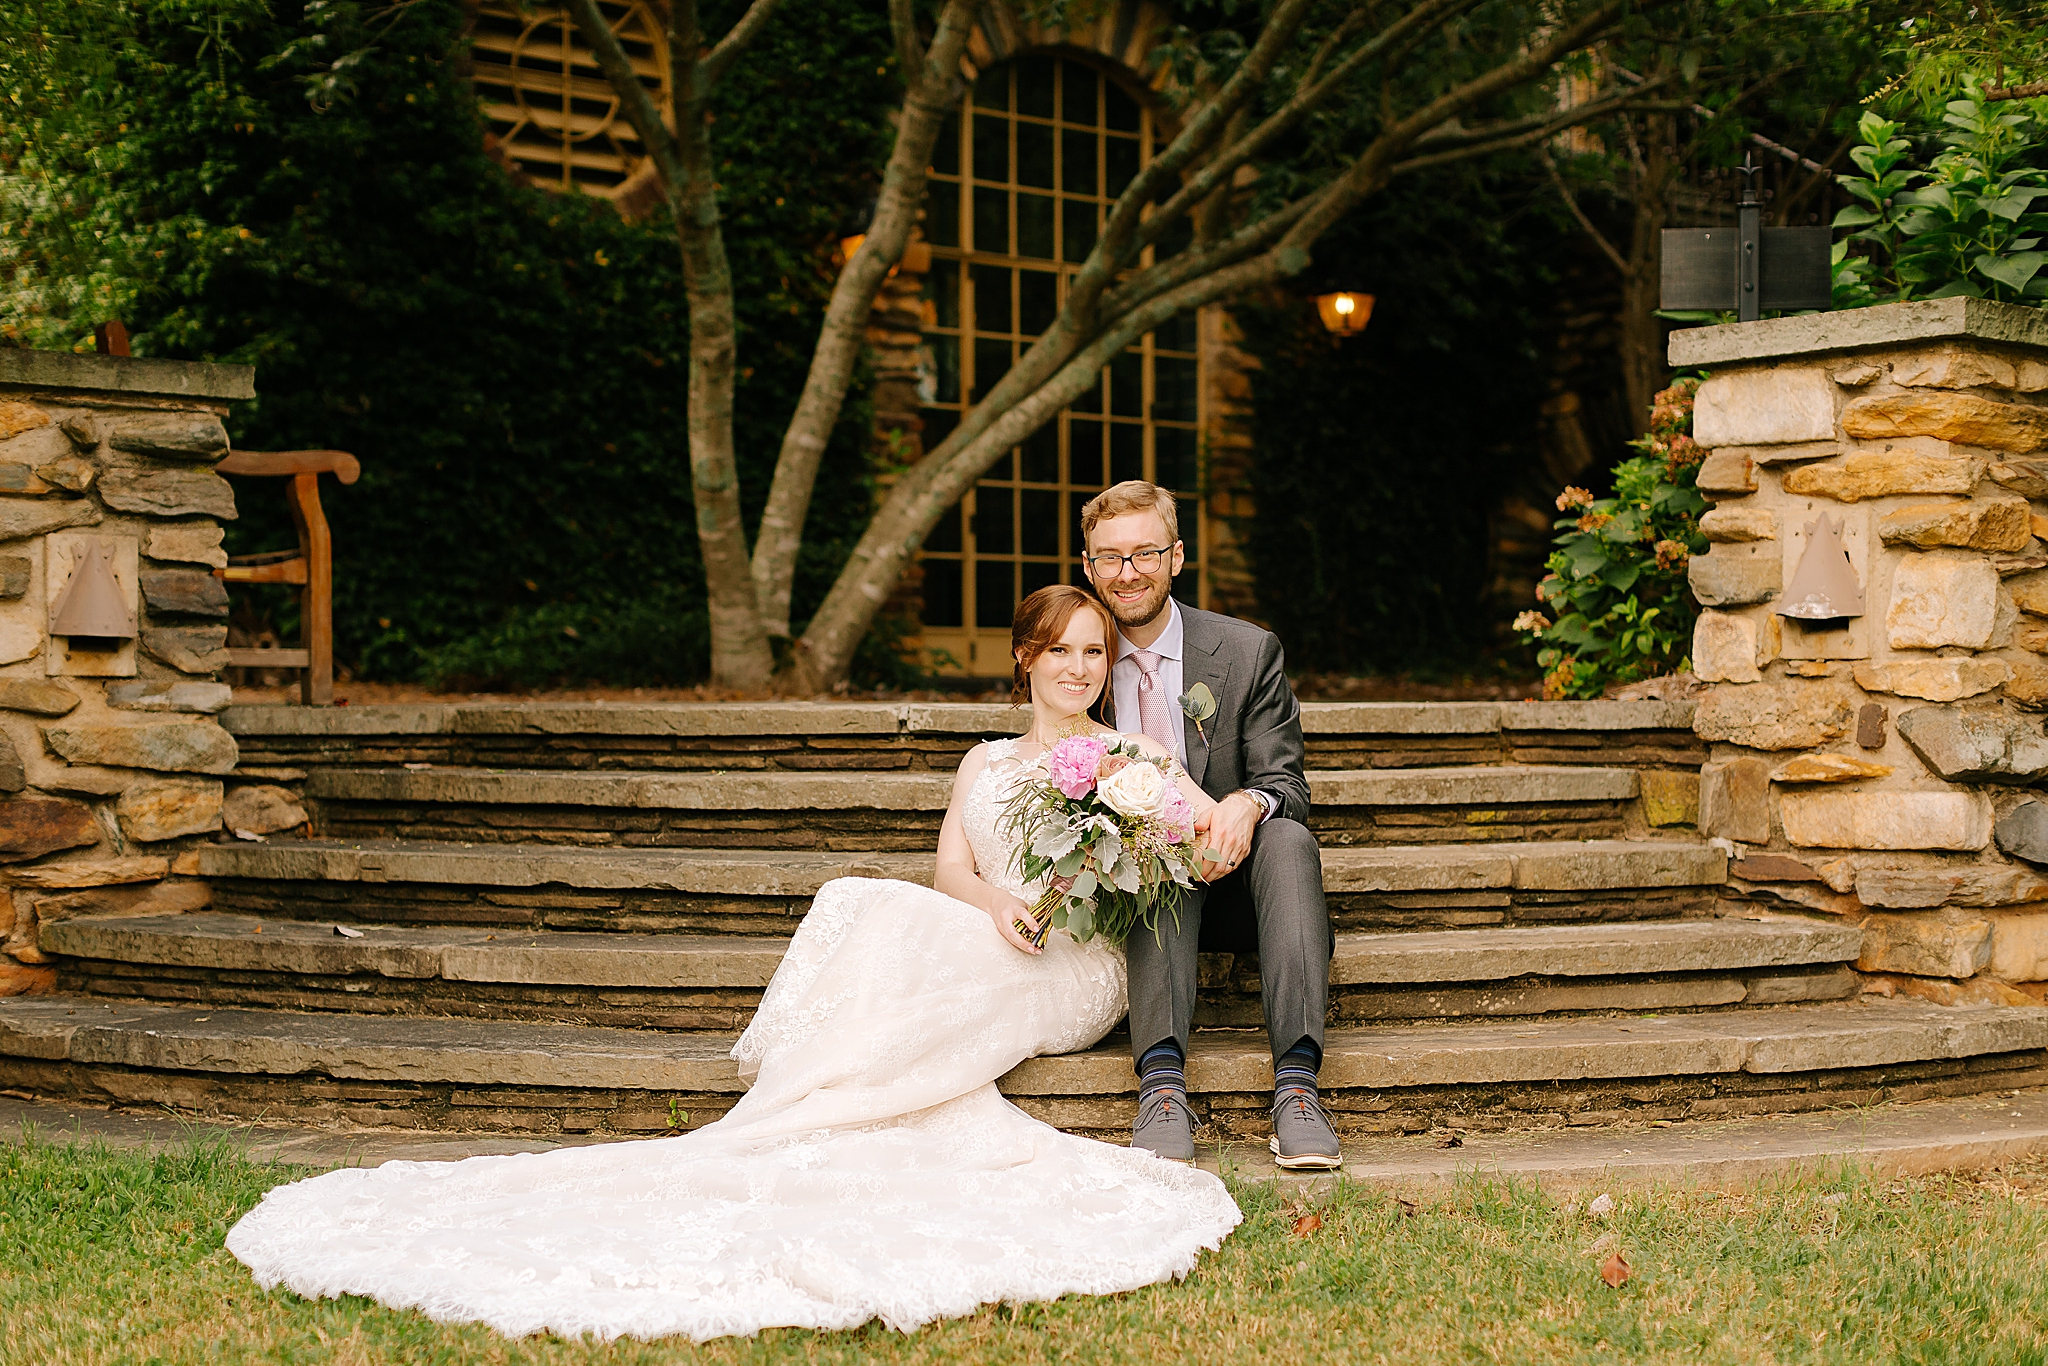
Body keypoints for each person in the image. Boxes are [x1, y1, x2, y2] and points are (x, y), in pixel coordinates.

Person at [226, 584, 1240, 1343]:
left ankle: (818, 1090)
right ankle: (819, 1091)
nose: (1076, 667)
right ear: (1022, 659)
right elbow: (947, 868)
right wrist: (999, 901)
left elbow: (1201, 837)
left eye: (1092, 652)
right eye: (1057, 650)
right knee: (864, 898)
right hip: (993, 934)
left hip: (1074, 971)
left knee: (884, 916)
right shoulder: (981, 762)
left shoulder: (1135, 761)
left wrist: (1228, 812)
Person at [1080, 481, 1341, 1171]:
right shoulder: (1075, 655)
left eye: (1145, 553)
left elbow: (1287, 784)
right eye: (1109, 558)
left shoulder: (1247, 651)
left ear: (1177, 556)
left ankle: (1298, 1086)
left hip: (1238, 888)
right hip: (1137, 893)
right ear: (1087, 567)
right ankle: (1162, 1085)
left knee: (1287, 836)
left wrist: (1244, 807)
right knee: (1150, 846)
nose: (1127, 572)